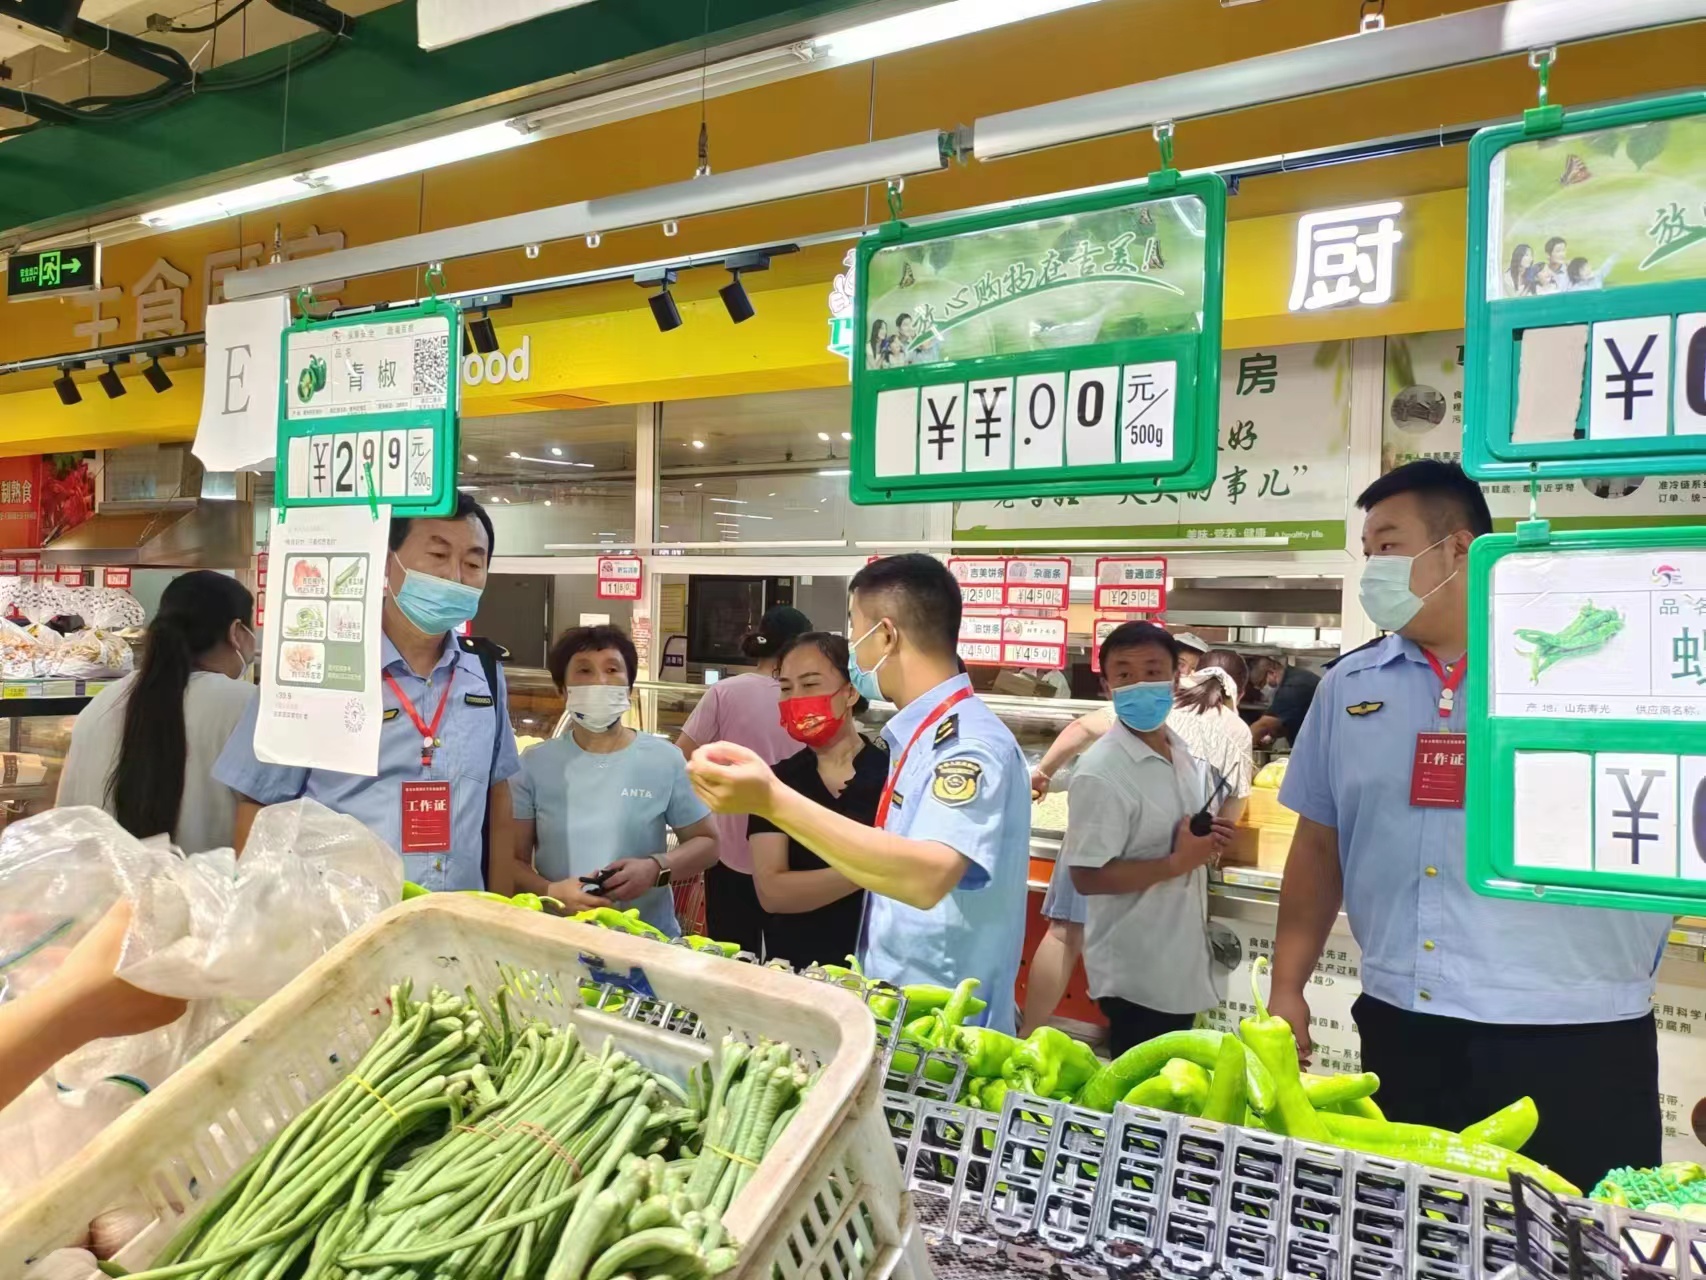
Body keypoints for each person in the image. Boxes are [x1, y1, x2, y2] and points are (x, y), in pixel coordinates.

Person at [1272, 459, 1671, 1190]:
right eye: (1367, 550)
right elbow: (1319, 845)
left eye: (1389, 545)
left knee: (1576, 1232)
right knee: (1409, 1226)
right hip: (1405, 1019)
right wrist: (1287, 986)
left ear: (1459, 548)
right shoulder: (1348, 688)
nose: (1373, 568)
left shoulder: (1590, 672)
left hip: (1574, 1028)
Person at [687, 554, 1029, 1032]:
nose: (852, 652)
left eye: (854, 630)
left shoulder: (964, 744)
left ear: (886, 636)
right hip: (899, 1010)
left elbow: (927, 876)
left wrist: (771, 801)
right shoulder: (912, 739)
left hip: (943, 1026)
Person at [215, 494, 521, 891]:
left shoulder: (484, 675)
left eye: (473, 563)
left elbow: (497, 800)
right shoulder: (312, 666)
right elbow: (258, 807)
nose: (455, 577)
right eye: (438, 555)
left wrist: (500, 911)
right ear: (387, 560)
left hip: (454, 920)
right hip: (344, 919)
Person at [1022, 648, 1250, 1034]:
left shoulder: (1156, 698)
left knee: (1065, 934)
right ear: (1239, 693)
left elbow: (1080, 730)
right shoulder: (1236, 729)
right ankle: (1136, 1054)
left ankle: (1027, 1034)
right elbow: (1234, 808)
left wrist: (1042, 774)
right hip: (1164, 843)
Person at [1066, 622, 1233, 1054]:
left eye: (1153, 671)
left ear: (1176, 679)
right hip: (1137, 973)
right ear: (1107, 687)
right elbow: (1086, 876)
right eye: (1124, 674)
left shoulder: (1181, 752)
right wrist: (1177, 863)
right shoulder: (1102, 770)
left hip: (1178, 957)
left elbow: (1177, 835)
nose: (1140, 684)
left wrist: (1208, 836)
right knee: (1143, 1085)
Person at [512, 625, 717, 934]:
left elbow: (708, 844)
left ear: (629, 688)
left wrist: (655, 869)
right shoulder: (533, 764)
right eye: (584, 670)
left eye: (612, 669)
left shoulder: (665, 759)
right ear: (562, 690)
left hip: (646, 939)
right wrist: (551, 892)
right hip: (559, 936)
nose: (600, 681)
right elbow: (511, 861)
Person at [58, 571, 257, 854]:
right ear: (237, 632)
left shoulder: (102, 703)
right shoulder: (248, 706)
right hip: (211, 881)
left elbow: (66, 819)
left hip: (108, 881)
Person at [676, 605, 812, 955]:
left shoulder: (724, 692)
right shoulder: (808, 700)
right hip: (795, 851)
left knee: (730, 956)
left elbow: (680, 756)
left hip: (729, 849)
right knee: (788, 961)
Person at [746, 632, 880, 968]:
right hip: (795, 970)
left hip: (876, 971)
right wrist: (875, 871)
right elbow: (772, 892)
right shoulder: (774, 782)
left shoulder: (891, 775)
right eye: (786, 688)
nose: (795, 699)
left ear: (850, 692)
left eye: (809, 685)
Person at [1167, 651, 1254, 826]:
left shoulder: (1161, 704)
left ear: (1195, 675)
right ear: (1240, 694)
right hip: (1188, 837)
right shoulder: (1237, 729)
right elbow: (1232, 811)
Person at [1248, 654, 1320, 748]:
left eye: (1261, 684)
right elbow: (1285, 724)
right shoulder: (1294, 677)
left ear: (1272, 673)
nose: (1262, 690)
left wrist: (1241, 743)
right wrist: (1270, 735)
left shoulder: (1293, 686)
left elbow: (1265, 724)